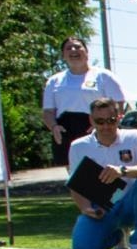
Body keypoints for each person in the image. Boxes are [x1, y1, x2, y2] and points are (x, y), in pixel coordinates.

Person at [68, 98, 137, 249]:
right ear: (91, 120)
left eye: (111, 121)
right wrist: (85, 208)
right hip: (102, 207)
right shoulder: (78, 146)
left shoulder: (134, 137)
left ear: (119, 118)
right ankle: (117, 236)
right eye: (100, 121)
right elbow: (75, 185)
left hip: (131, 203)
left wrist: (123, 171)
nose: (106, 126)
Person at [41, 37, 125, 167]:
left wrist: (103, 124)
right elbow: (48, 112)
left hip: (97, 127)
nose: (73, 50)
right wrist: (54, 127)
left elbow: (118, 105)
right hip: (66, 129)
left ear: (87, 52)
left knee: (104, 168)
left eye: (78, 47)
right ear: (63, 55)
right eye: (68, 48)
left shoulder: (104, 76)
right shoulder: (54, 81)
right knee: (76, 177)